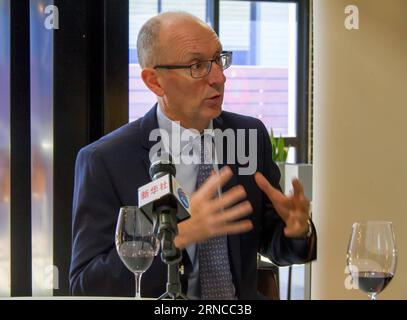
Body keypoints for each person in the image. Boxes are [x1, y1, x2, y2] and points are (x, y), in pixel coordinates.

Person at [69, 11, 316, 299]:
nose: (219, 78)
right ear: (154, 82)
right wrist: (177, 237)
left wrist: (296, 230)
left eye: (218, 60)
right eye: (197, 65)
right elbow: (86, 284)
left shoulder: (251, 135)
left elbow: (270, 242)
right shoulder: (105, 161)